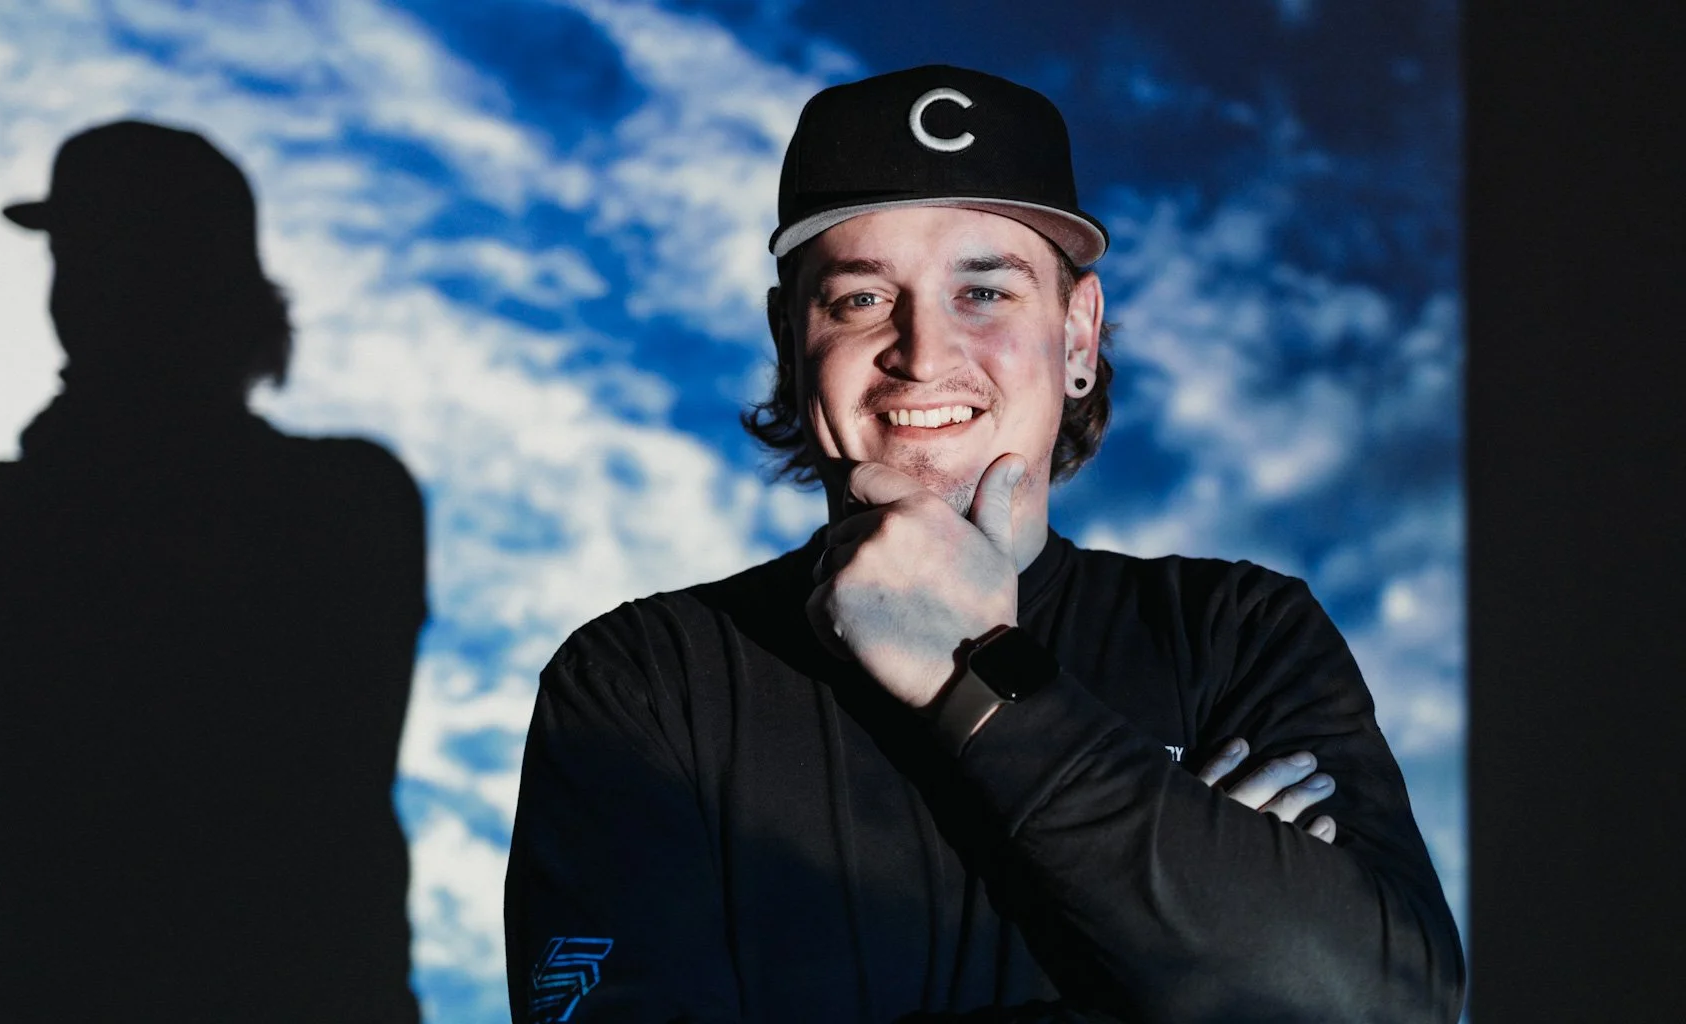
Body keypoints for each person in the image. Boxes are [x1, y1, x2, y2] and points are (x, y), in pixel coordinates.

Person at [504, 66, 1463, 1023]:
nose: (922, 354)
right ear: (791, 342)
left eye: (984, 291)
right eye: (859, 299)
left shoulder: (1236, 636)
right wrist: (1192, 934)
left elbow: (1394, 1007)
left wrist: (981, 679)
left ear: (1077, 336)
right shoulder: (645, 681)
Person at [0, 120, 424, 1022]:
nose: (82, 286)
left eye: (109, 253)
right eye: (73, 257)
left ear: (200, 279)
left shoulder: (342, 500)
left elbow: (301, 750)